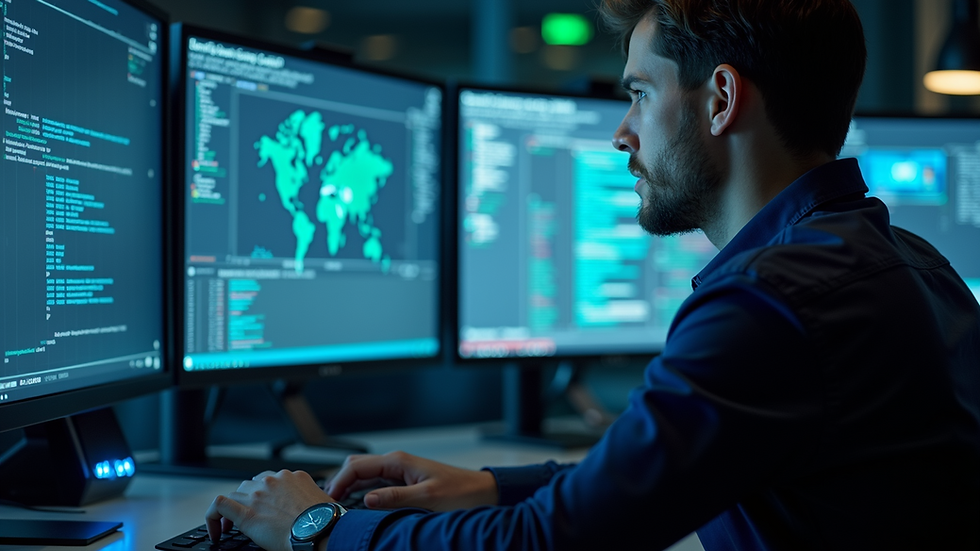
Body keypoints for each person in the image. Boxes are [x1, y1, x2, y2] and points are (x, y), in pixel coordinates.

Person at [204, 1, 980, 549]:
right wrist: (487, 484)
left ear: (719, 100)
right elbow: (663, 471)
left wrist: (318, 527)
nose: (621, 133)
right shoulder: (908, 260)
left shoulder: (768, 304)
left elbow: (556, 541)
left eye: (640, 94)